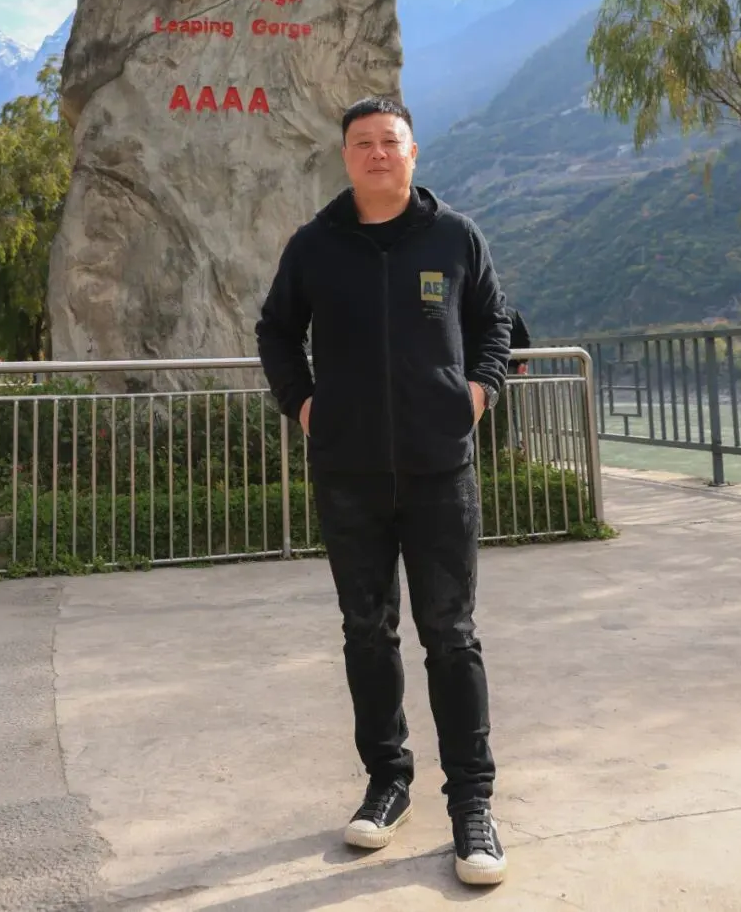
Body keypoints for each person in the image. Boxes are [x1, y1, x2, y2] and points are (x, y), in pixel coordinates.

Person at [256, 95, 511, 888]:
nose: (376, 152)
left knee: (451, 635)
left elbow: (496, 323)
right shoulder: (315, 245)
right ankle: (388, 781)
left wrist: (476, 393)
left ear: (412, 152)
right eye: (362, 142)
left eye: (389, 140)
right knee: (367, 632)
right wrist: (304, 404)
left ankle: (472, 805)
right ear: (345, 156)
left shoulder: (455, 237)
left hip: (442, 472)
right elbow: (275, 329)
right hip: (349, 474)